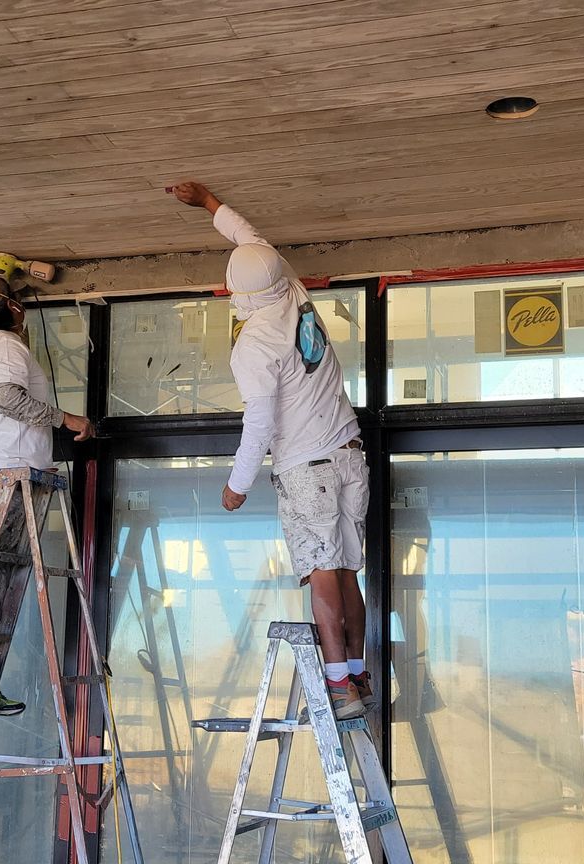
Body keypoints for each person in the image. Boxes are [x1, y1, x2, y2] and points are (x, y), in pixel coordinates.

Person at [171, 181, 371, 721]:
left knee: (321, 573)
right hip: (350, 453)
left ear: (232, 288)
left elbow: (258, 423)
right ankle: (357, 674)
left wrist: (237, 486)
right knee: (349, 570)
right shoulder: (293, 289)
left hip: (308, 467)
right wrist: (209, 203)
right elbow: (250, 237)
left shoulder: (254, 343)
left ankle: (336, 688)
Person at [0, 274, 96, 718]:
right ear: (14, 310)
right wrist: (64, 419)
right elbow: (8, 399)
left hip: (6, 479)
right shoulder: (6, 346)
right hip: (0, 480)